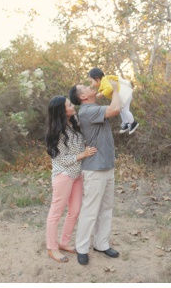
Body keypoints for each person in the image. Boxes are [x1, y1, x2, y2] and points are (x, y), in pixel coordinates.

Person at [69, 78, 122, 266]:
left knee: (106, 209)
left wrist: (102, 90)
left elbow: (99, 94)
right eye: (85, 87)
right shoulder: (88, 111)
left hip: (107, 166)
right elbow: (115, 109)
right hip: (95, 169)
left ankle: (101, 244)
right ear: (83, 96)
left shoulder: (92, 107)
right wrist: (115, 90)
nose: (90, 86)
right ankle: (82, 248)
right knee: (90, 210)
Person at [44, 96, 97, 263]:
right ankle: (52, 248)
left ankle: (64, 243)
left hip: (77, 175)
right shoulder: (56, 132)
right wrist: (83, 154)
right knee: (56, 213)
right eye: (69, 104)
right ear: (61, 110)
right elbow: (60, 159)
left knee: (74, 211)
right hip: (63, 176)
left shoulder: (73, 122)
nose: (72, 105)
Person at [88, 67, 138, 134]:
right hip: (123, 95)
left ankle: (133, 123)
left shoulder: (104, 81)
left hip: (123, 94)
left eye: (91, 82)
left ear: (97, 78)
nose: (92, 84)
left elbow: (109, 88)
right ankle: (126, 123)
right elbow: (114, 78)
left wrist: (102, 94)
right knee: (122, 110)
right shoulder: (105, 80)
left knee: (125, 110)